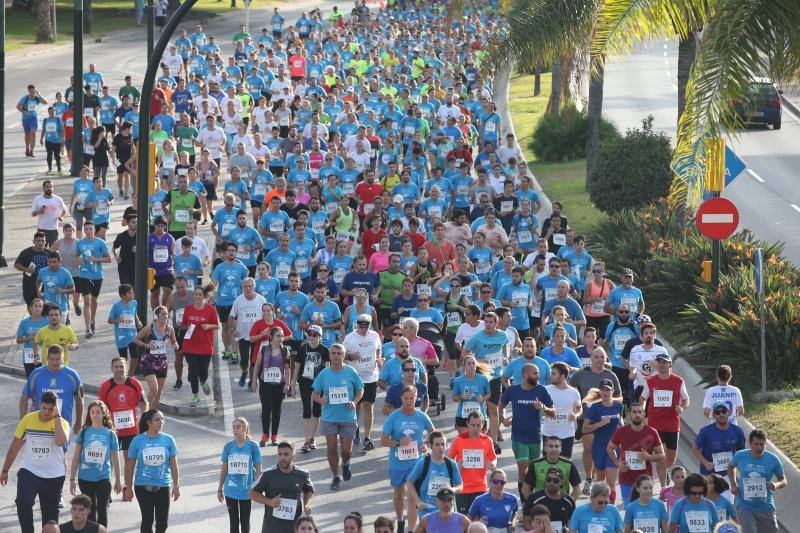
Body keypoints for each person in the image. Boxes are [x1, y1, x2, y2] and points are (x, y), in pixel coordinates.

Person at [1, 391, 70, 533]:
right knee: (23, 502)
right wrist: (5, 470)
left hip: (53, 476)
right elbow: (15, 446)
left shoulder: (62, 423)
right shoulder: (28, 419)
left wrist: (56, 416)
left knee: (50, 517)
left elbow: (60, 442)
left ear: (56, 408)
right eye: (44, 408)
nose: (47, 412)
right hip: (30, 471)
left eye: (51, 409)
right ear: (40, 404)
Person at [381, 385, 435, 533]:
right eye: (406, 398)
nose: (409, 401)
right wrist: (398, 443)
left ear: (416, 398)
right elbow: (383, 440)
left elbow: (433, 433)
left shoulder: (421, 416)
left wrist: (427, 444)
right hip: (397, 462)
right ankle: (400, 521)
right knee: (399, 493)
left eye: (412, 398)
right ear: (401, 399)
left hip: (416, 462)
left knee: (413, 495)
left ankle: (411, 528)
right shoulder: (394, 417)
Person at [311, 343, 364, 491]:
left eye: (339, 353)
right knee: (331, 449)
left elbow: (360, 390)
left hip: (347, 417)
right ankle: (335, 476)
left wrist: (354, 402)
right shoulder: (324, 374)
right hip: (329, 417)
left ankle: (345, 463)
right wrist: (321, 400)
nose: (336, 356)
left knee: (346, 450)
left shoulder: (351, 371)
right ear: (330, 356)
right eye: (333, 353)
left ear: (343, 355)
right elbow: (314, 394)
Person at [122, 409, 180, 533]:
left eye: (162, 419)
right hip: (142, 486)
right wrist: (128, 487)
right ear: (149, 422)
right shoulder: (137, 440)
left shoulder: (169, 440)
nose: (161, 422)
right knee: (147, 520)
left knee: (162, 522)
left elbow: (174, 464)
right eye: (157, 420)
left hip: (163, 485)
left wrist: (176, 485)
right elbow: (129, 466)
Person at [68, 400, 121, 527]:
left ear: (104, 414)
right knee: (89, 512)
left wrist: (118, 480)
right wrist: (71, 479)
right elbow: (76, 457)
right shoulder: (85, 432)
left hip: (103, 478)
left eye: (98, 412)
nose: (95, 415)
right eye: (92, 412)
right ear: (89, 415)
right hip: (85, 478)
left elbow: (116, 458)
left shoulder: (110, 434)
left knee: (102, 511)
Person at [498, 364, 555, 482]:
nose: (538, 376)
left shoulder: (541, 390)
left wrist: (543, 407)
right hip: (518, 438)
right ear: (525, 375)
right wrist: (503, 419)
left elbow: (553, 412)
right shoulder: (513, 390)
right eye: (535, 374)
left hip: (535, 437)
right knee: (523, 471)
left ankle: (531, 496)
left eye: (538, 373)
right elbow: (501, 406)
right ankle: (525, 500)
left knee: (533, 472)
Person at [463, 311, 510, 452]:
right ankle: (477, 439)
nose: (488, 324)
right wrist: (475, 363)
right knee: (479, 409)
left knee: (493, 410)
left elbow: (505, 346)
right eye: (486, 322)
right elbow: (464, 352)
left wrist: (506, 356)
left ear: (496, 323)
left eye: (491, 322)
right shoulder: (478, 337)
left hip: (495, 377)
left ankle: (493, 442)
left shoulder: (503, 335)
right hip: (481, 378)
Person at [640, 352, 689, 487]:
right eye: (659, 362)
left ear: (670, 364)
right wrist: (643, 410)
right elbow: (643, 398)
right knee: (661, 457)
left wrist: (682, 408)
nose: (662, 364)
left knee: (671, 459)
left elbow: (686, 399)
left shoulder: (678, 381)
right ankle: (663, 488)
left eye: (664, 362)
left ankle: (665, 470)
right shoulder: (650, 381)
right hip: (655, 424)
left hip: (672, 423)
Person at [727, 429, 787, 533]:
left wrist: (776, 485)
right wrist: (733, 485)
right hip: (745, 505)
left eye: (762, 444)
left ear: (766, 443)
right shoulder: (740, 455)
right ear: (749, 443)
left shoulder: (772, 459)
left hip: (765, 506)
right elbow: (730, 467)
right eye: (756, 444)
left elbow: (783, 480)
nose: (759, 447)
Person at [607, 402, 665, 506]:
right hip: (626, 478)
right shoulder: (621, 431)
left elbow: (661, 455)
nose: (637, 415)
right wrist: (617, 463)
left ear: (644, 414)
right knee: (629, 511)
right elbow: (610, 448)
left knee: (644, 512)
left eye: (640, 412)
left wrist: (649, 457)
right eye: (634, 412)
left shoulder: (652, 432)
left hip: (645, 480)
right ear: (629, 414)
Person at [249, 440, 314, 533]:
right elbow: (252, 493)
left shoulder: (302, 474)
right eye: (280, 454)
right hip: (272, 528)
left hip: (294, 527)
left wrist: (307, 504)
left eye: (286, 454)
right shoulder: (267, 474)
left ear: (293, 456)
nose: (282, 457)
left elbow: (308, 490)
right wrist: (269, 502)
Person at [21, 344, 84, 433]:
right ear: (47, 358)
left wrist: (79, 422)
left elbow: (80, 400)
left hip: (63, 426)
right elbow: (24, 399)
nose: (55, 362)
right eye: (52, 359)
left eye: (58, 359)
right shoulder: (36, 374)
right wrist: (23, 423)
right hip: (40, 426)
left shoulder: (72, 376)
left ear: (63, 358)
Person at [407, 431, 463, 529]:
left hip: (447, 511)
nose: (441, 447)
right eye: (437, 444)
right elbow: (410, 481)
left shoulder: (451, 464)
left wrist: (451, 489)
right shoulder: (423, 463)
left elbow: (460, 486)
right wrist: (418, 501)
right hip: (427, 510)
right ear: (431, 446)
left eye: (443, 444)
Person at [343, 313, 383, 451]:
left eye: (366, 328)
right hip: (355, 377)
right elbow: (340, 355)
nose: (363, 330)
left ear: (370, 325)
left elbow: (378, 349)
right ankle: (356, 430)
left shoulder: (374, 336)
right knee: (356, 406)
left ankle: (367, 437)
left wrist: (379, 358)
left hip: (371, 377)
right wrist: (350, 356)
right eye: (361, 327)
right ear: (357, 325)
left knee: (368, 406)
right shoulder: (349, 338)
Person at [217, 417, 262, 533]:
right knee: (233, 523)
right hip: (230, 490)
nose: (235, 430)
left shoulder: (253, 446)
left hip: (247, 490)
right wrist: (219, 489)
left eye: (238, 427)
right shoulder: (228, 447)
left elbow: (258, 468)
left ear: (245, 428)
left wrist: (258, 487)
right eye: (233, 428)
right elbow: (224, 469)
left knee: (245, 522)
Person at [583, 380, 624, 505]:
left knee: (611, 480)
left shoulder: (618, 406)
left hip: (613, 447)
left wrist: (621, 426)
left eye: (608, 390)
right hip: (599, 447)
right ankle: (600, 503)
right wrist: (599, 424)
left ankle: (611, 505)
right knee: (601, 480)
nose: (605, 392)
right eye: (603, 390)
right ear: (599, 391)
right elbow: (584, 429)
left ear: (612, 391)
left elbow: (621, 422)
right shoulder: (595, 408)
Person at [448, 412, 497, 515]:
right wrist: (456, 465)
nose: (475, 428)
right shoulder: (459, 440)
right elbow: (448, 461)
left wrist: (493, 464)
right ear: (467, 424)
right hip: (462, 487)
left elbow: (493, 458)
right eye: (473, 425)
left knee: (480, 520)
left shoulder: (487, 440)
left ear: (483, 424)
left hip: (481, 486)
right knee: (464, 521)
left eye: (478, 425)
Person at [98, 357, 147, 460]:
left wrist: (143, 422)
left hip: (131, 430)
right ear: (112, 369)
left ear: (126, 368)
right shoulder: (105, 386)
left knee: (130, 461)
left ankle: (128, 477)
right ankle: (109, 477)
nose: (119, 369)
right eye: (116, 367)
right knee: (109, 460)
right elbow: (100, 408)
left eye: (121, 366)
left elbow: (144, 403)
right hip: (112, 430)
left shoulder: (135, 384)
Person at [291, 324, 330, 453]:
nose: (311, 337)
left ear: (320, 336)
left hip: (318, 383)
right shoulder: (303, 349)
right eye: (309, 334)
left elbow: (328, 369)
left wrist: (328, 385)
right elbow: (296, 367)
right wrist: (292, 385)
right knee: (307, 409)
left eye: (314, 335)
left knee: (317, 410)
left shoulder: (324, 350)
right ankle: (307, 439)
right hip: (304, 382)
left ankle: (312, 437)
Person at [180, 286, 220, 407]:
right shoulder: (188, 308)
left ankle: (203, 381)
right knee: (193, 371)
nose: (197, 297)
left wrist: (208, 326)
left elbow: (217, 325)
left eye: (200, 295)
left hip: (205, 346)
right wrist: (184, 326)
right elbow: (184, 324)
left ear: (204, 297)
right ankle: (195, 396)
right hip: (189, 345)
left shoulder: (210, 310)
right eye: (195, 294)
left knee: (203, 372)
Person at [133, 306, 179, 408]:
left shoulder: (170, 329)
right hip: (148, 361)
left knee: (158, 392)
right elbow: (136, 339)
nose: (165, 316)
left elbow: (173, 341)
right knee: (154, 388)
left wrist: (175, 345)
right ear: (156, 316)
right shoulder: (149, 328)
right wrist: (146, 345)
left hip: (162, 362)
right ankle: (143, 408)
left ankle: (150, 414)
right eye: (163, 314)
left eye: (166, 314)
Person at [252, 327, 291, 446]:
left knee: (276, 410)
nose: (280, 338)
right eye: (278, 336)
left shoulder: (285, 351)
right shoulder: (264, 349)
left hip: (279, 385)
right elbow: (257, 366)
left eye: (282, 336)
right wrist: (254, 381)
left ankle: (274, 435)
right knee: (266, 409)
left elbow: (287, 369)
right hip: (265, 384)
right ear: (271, 337)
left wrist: (288, 384)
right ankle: (265, 435)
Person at [75, 221, 111, 338]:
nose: (88, 231)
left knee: (94, 301)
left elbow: (108, 259)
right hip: (84, 275)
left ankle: (92, 321)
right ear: (84, 230)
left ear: (94, 230)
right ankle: (88, 329)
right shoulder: (80, 243)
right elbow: (76, 256)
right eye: (86, 229)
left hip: (97, 275)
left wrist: (95, 259)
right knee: (87, 301)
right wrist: (78, 260)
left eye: (90, 229)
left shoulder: (100, 242)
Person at [692, 401, 746, 480]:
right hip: (709, 474)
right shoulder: (705, 431)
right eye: (717, 412)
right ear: (713, 415)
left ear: (729, 412)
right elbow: (695, 448)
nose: (721, 414)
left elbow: (741, 451)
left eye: (724, 411)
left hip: (729, 474)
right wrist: (706, 463)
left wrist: (739, 465)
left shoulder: (737, 431)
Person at [230, 277, 267, 387]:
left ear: (254, 287)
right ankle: (244, 372)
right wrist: (233, 329)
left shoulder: (261, 300)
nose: (247, 288)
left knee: (254, 361)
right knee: (244, 361)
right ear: (242, 288)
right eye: (245, 286)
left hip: (258, 336)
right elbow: (231, 317)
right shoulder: (238, 300)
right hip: (243, 335)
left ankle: (252, 381)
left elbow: (267, 315)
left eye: (250, 286)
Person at [542, 362, 583, 458]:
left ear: (563, 376)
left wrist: (576, 415)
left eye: (554, 374)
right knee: (548, 464)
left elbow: (579, 408)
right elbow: (540, 409)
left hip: (567, 434)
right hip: (549, 433)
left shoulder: (574, 392)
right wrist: (545, 411)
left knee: (565, 465)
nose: (551, 376)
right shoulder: (546, 390)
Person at [522, 436, 582, 501]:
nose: (554, 449)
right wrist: (534, 503)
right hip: (542, 505)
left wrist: (568, 503)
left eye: (556, 446)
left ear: (561, 449)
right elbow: (525, 489)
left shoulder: (569, 465)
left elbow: (577, 489)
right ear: (545, 448)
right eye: (550, 446)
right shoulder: (536, 464)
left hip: (561, 504)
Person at [108, 283, 142, 370]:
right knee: (123, 358)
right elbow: (110, 320)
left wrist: (138, 321)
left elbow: (134, 314)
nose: (132, 295)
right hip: (121, 335)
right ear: (122, 295)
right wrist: (118, 320)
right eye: (129, 293)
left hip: (132, 334)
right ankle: (124, 374)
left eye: (132, 292)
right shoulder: (117, 306)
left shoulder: (134, 303)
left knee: (135, 357)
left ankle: (130, 375)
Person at [452, 355, 491, 431]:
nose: (472, 366)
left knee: (479, 442)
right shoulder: (458, 380)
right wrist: (461, 397)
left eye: (473, 363)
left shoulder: (483, 379)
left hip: (480, 415)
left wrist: (483, 398)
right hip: (463, 415)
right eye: (469, 364)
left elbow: (489, 394)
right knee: (465, 441)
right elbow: (454, 397)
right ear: (464, 366)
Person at [15, 231, 50, 306]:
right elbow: (17, 265)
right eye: (38, 241)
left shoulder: (49, 253)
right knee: (31, 305)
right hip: (30, 284)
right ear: (33, 242)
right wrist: (27, 269)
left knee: (45, 306)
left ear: (45, 241)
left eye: (43, 241)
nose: (41, 243)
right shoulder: (26, 252)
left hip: (45, 284)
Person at [31, 181, 67, 246]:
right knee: (41, 249)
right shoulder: (38, 199)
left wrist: (61, 217)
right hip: (42, 228)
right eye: (47, 187)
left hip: (53, 229)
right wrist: (39, 211)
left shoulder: (58, 199)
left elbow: (64, 210)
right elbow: (32, 214)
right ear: (43, 188)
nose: (49, 188)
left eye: (51, 187)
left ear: (53, 188)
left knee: (52, 250)